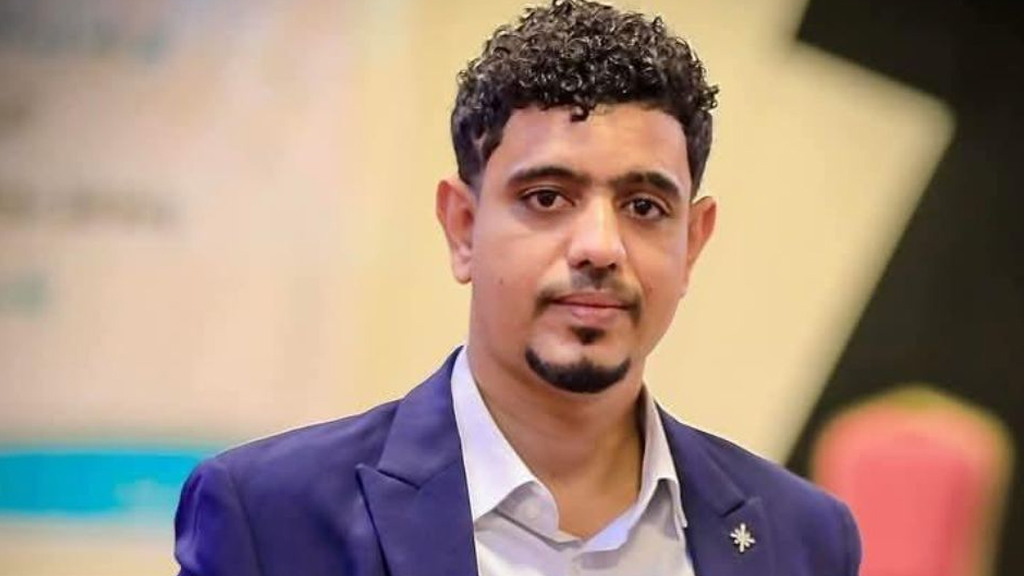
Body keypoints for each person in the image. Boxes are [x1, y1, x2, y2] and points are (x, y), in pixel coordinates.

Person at [173, 1, 862, 575]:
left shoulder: (804, 539)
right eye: (547, 197)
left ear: (693, 243)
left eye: (644, 206)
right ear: (463, 226)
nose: (600, 246)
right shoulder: (270, 517)